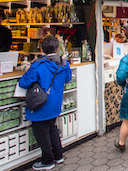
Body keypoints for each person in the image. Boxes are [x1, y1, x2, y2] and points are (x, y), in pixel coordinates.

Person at [18, 36, 72, 170]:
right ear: (57, 48)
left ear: (42, 49)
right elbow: (68, 78)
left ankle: (47, 160)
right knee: (52, 127)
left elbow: (24, 83)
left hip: (41, 103)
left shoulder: (38, 65)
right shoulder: (63, 63)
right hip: (56, 101)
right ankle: (58, 155)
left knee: (41, 132)